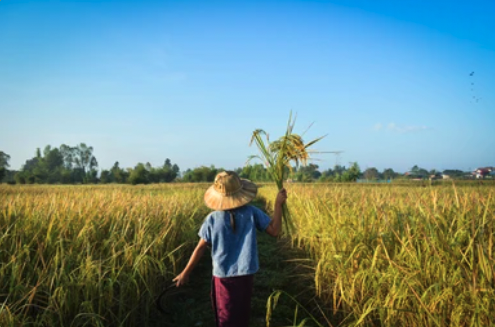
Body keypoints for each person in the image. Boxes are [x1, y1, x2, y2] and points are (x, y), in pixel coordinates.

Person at [173, 170, 287, 327]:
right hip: (246, 273)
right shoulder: (251, 212)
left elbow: (200, 248)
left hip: (223, 276)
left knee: (225, 316)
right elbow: (275, 231)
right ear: (240, 192)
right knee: (241, 313)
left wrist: (185, 273)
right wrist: (277, 205)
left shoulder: (212, 219)